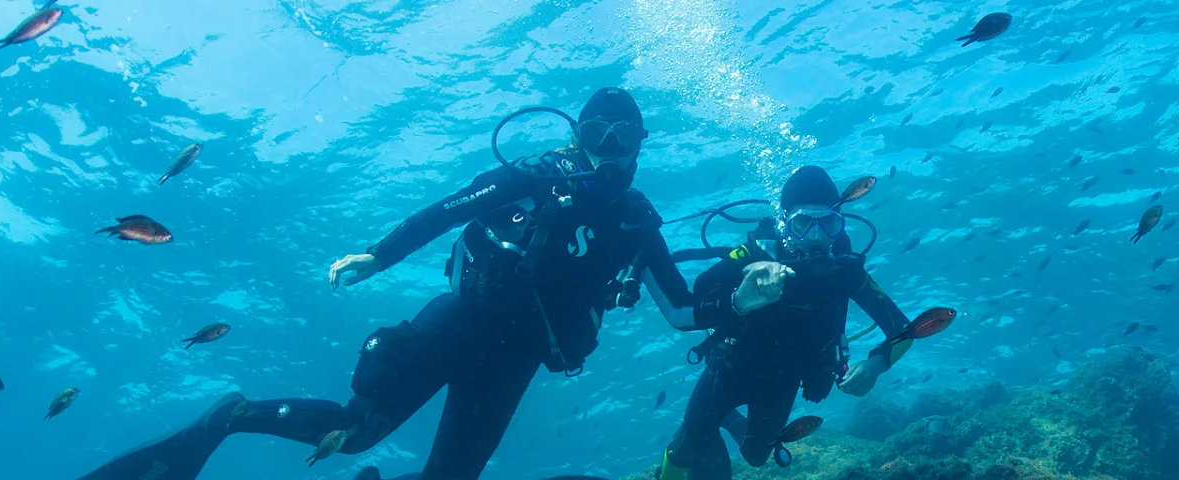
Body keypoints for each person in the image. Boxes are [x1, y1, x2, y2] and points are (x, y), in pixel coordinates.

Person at [79, 87, 696, 480]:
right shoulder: (535, 176)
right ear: (577, 137)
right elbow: (449, 208)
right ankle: (229, 418)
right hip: (458, 322)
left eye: (627, 137)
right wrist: (380, 255)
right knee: (354, 432)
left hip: (516, 361)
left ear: (643, 145)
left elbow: (684, 312)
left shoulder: (636, 220)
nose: (612, 149)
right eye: (599, 134)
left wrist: (744, 298)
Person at [651, 166, 917, 480]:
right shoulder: (754, 253)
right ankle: (708, 427)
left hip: (784, 379)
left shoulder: (845, 271)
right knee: (686, 446)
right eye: (803, 223)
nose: (816, 237)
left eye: (828, 224)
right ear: (785, 223)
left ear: (839, 225)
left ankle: (726, 419)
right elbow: (701, 291)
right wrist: (741, 292)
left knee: (756, 456)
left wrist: (876, 364)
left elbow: (906, 329)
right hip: (730, 367)